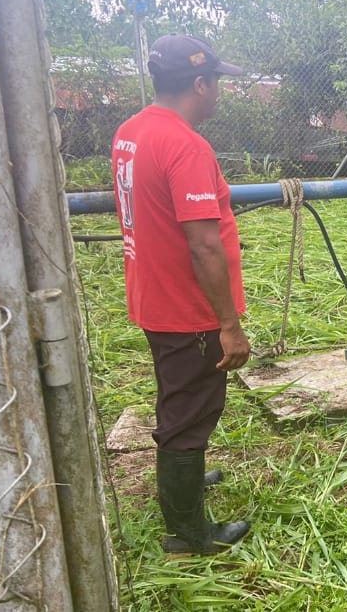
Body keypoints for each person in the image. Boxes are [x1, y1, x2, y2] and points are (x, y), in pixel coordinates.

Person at [111, 35, 252, 554]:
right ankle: (188, 532)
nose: (219, 91)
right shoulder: (185, 145)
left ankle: (183, 483)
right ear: (199, 84)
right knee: (190, 413)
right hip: (188, 309)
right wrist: (229, 324)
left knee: (179, 401)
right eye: (216, 82)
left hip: (154, 296)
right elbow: (203, 244)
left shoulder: (131, 132)